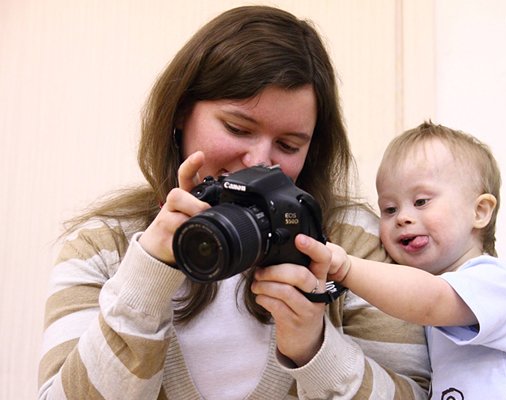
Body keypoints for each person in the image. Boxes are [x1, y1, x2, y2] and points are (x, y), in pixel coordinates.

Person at [38, 6, 430, 400]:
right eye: (238, 128)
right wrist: (146, 275)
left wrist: (315, 348)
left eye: (289, 145)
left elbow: (420, 394)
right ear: (180, 113)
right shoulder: (102, 246)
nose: (259, 159)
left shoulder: (350, 241)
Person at [320, 121, 506, 399]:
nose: (403, 217)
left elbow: (430, 301)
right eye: (389, 209)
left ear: (479, 211)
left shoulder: (495, 281)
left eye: (421, 201)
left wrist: (346, 266)